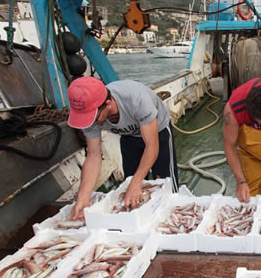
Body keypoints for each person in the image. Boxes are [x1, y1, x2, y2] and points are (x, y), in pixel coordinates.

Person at [67, 77, 178, 219]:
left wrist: (137, 182)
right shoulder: (90, 118)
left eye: (93, 117)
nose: (90, 123)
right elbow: (93, 156)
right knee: (129, 183)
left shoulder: (137, 99)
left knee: (164, 181)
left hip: (157, 132)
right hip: (128, 136)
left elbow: (152, 146)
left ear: (108, 104)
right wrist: (82, 197)